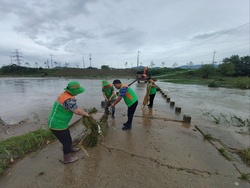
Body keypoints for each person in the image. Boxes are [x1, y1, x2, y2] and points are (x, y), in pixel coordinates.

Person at [48, 81, 89, 164]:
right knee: (66, 142)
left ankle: (70, 148)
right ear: (74, 91)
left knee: (68, 137)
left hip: (59, 122)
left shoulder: (65, 94)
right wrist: (85, 114)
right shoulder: (69, 99)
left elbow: (71, 106)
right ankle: (67, 159)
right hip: (57, 124)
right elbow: (76, 111)